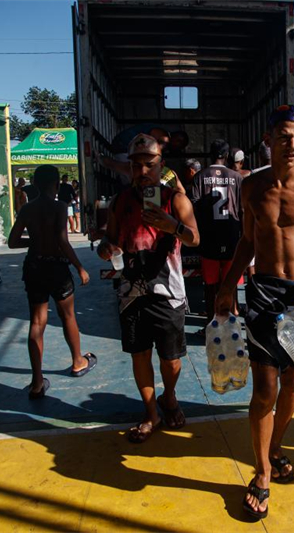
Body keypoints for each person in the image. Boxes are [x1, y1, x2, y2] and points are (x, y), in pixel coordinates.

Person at [215, 105, 294, 519]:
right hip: (264, 295)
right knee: (264, 390)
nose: (292, 145)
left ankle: (275, 445)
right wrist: (227, 285)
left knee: (293, 381)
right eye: (284, 137)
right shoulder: (251, 187)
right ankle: (262, 473)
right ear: (267, 139)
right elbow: (248, 242)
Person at [97, 134, 200, 443]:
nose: (142, 172)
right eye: (136, 165)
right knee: (139, 355)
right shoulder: (120, 201)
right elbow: (109, 239)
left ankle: (169, 396)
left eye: (149, 165)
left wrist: (172, 225)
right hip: (131, 292)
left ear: (160, 165)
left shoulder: (175, 199)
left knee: (171, 359)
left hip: (168, 293)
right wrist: (106, 248)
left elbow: (195, 238)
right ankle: (151, 412)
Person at [8, 165, 95, 399]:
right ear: (56, 184)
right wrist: (79, 267)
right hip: (56, 267)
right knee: (68, 315)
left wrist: (36, 241)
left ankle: (37, 382)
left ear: (35, 185)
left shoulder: (27, 209)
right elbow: (62, 240)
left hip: (34, 266)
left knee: (37, 322)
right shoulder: (59, 207)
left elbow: (13, 242)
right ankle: (78, 361)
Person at [190, 139, 244, 324]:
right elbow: (243, 209)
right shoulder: (237, 177)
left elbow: (194, 208)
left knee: (210, 284)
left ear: (210, 155)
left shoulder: (200, 177)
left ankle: (210, 323)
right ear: (227, 156)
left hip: (208, 238)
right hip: (232, 237)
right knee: (231, 283)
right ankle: (231, 322)